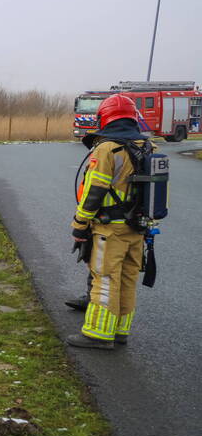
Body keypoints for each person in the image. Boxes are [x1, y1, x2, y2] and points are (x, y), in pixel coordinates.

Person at [67, 94, 152, 349]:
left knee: (105, 278)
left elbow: (94, 191)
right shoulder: (148, 147)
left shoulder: (108, 149)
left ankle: (97, 334)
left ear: (104, 118)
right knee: (127, 279)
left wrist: (79, 225)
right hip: (137, 228)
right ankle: (119, 331)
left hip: (110, 229)